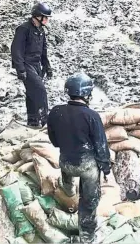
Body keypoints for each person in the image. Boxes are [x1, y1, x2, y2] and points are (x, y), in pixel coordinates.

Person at [47, 73, 110, 243]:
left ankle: (68, 189)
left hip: (66, 162)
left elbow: (54, 140)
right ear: (87, 94)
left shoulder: (55, 111)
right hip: (86, 166)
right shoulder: (92, 116)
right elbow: (101, 146)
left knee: (68, 174)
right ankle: (87, 237)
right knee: (88, 203)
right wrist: (106, 169)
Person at [11, 2, 53, 127]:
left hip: (36, 65)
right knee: (40, 91)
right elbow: (16, 50)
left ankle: (33, 121)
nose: (47, 20)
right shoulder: (24, 29)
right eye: (45, 17)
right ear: (37, 16)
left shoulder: (40, 31)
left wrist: (47, 66)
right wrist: (20, 69)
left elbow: (43, 51)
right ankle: (46, 121)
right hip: (26, 64)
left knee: (31, 93)